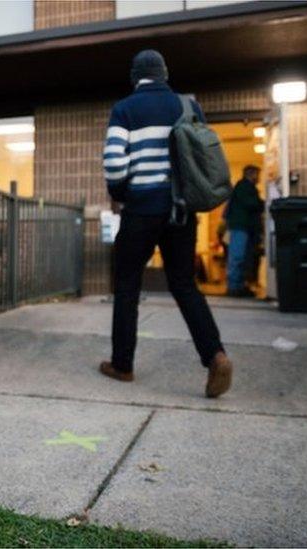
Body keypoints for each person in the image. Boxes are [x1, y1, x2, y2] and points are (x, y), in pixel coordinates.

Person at [98, 49, 233, 398]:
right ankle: (215, 355)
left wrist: (123, 192)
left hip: (141, 208)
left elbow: (114, 164)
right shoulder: (187, 106)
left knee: (127, 284)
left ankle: (122, 365)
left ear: (135, 76)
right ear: (164, 74)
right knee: (185, 285)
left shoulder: (125, 109)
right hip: (180, 212)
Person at [224, 165, 264, 297]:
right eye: (257, 174)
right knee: (238, 257)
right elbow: (252, 203)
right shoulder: (244, 187)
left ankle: (238, 286)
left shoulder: (243, 187)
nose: (258, 177)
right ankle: (234, 287)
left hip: (242, 227)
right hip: (240, 227)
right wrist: (262, 203)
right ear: (250, 174)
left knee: (240, 257)